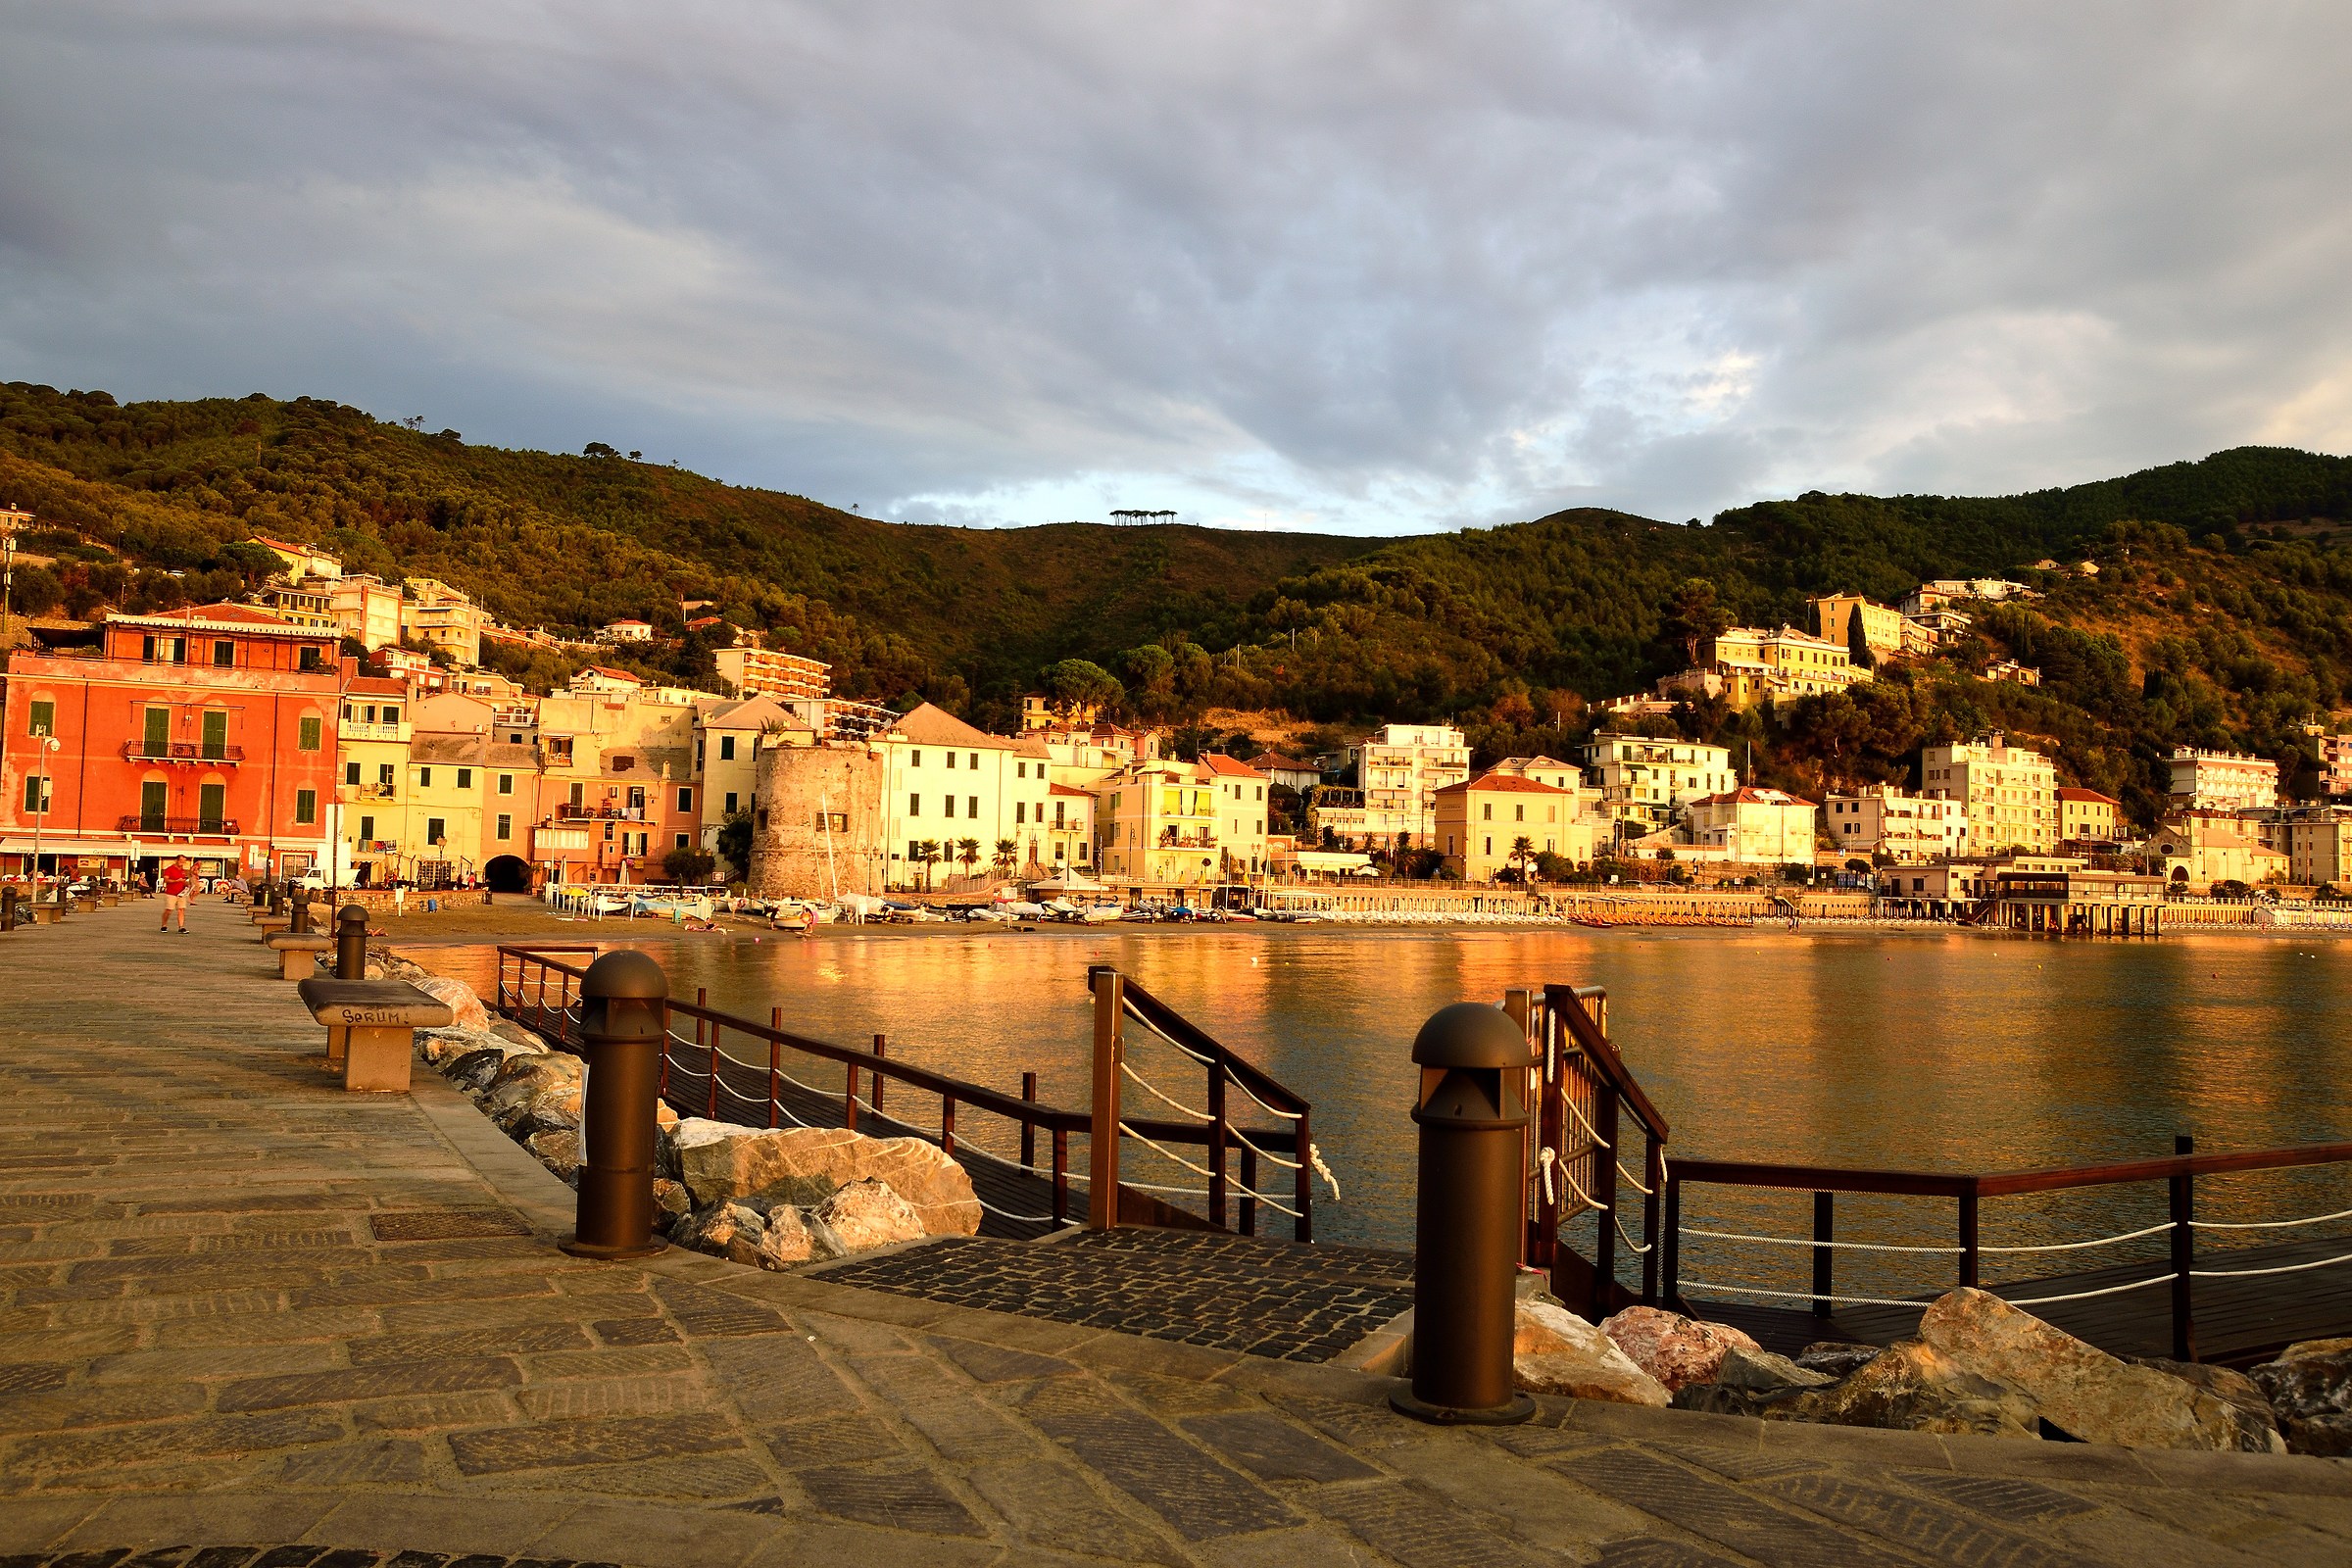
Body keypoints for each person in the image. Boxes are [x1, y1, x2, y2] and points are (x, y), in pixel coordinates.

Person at [159, 856, 192, 934]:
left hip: (181, 893)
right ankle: (164, 925)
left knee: (181, 909)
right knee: (169, 910)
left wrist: (188, 884)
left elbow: (183, 881)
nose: (182, 863)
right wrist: (176, 881)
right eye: (181, 861)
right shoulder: (169, 869)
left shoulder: (183, 871)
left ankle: (181, 927)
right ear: (176, 860)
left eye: (184, 861)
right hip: (171, 893)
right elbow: (166, 880)